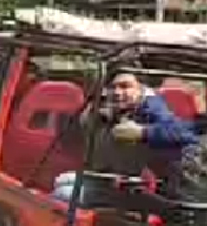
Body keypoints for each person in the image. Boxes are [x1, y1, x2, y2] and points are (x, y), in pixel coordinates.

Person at [52, 69, 196, 204]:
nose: (117, 92)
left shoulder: (150, 108)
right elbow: (69, 136)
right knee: (61, 180)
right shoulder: (104, 107)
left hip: (132, 187)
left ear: (140, 89)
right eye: (113, 87)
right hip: (105, 178)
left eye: (125, 86)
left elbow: (185, 133)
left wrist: (142, 132)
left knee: (65, 193)